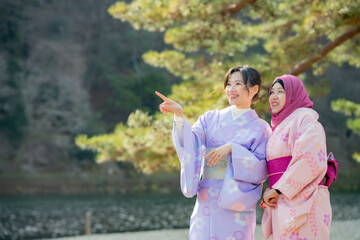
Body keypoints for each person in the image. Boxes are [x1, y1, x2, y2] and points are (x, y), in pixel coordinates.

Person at [156, 65, 271, 240]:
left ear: (254, 89)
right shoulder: (210, 118)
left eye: (238, 84)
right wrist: (179, 116)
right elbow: (191, 145)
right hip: (207, 198)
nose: (231, 89)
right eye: (228, 84)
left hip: (237, 202)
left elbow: (262, 168)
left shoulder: (261, 128)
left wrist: (234, 149)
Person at [261, 75, 332, 240]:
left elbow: (310, 158)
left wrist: (279, 189)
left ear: (294, 94)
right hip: (281, 199)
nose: (274, 96)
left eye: (280, 91)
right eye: (272, 92)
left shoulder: (305, 119)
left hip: (305, 199)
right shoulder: (278, 127)